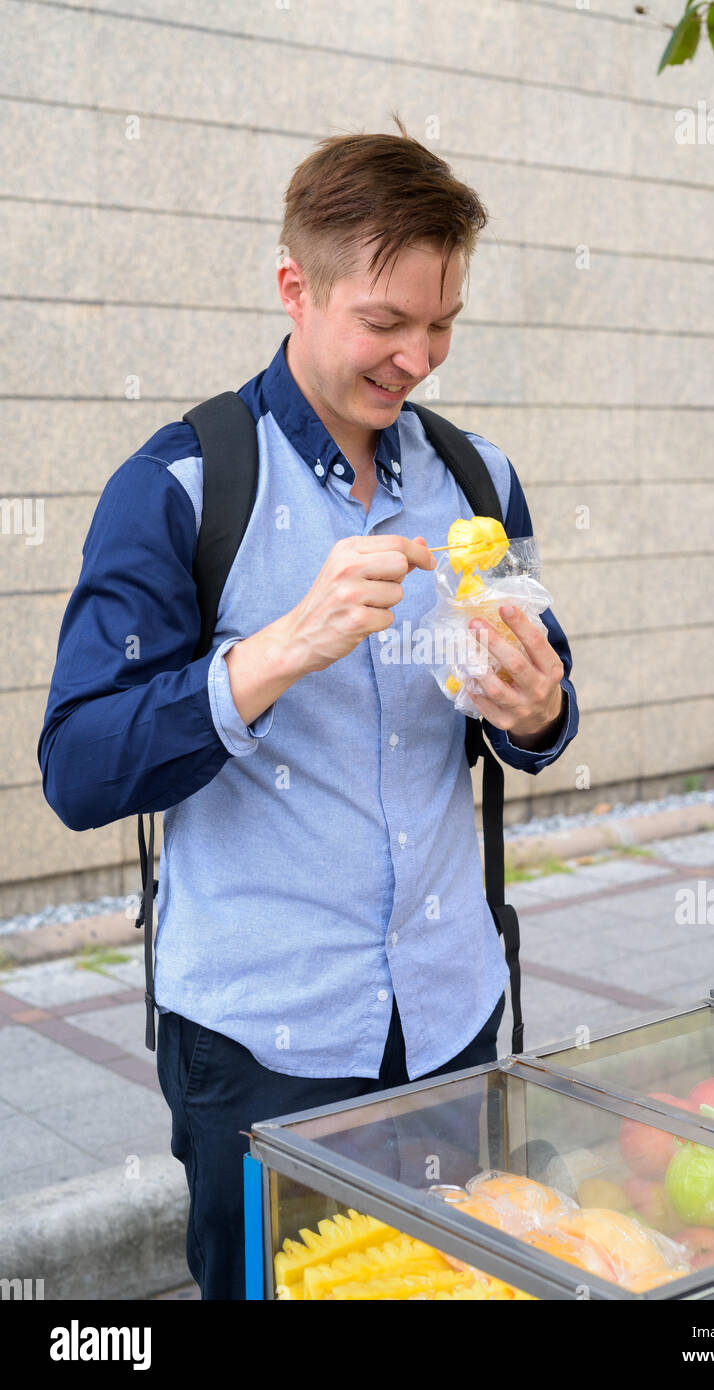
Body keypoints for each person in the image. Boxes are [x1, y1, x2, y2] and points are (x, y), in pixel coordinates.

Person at [37, 113, 579, 1299]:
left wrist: (537, 711)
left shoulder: (478, 475)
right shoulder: (180, 485)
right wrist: (280, 648)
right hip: (261, 1049)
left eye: (442, 324)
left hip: (448, 1021)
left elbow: (540, 698)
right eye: (385, 323)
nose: (418, 357)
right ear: (295, 285)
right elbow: (77, 766)